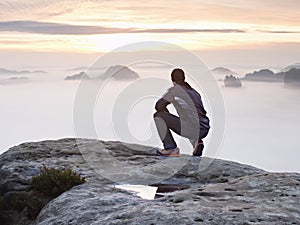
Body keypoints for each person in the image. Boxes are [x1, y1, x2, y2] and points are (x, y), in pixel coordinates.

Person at [154, 68, 210, 156]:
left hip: (192, 129)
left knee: (158, 116)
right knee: (190, 119)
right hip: (205, 129)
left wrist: (165, 113)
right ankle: (197, 142)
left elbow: (158, 105)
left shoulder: (175, 90)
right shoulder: (194, 92)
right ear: (184, 78)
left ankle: (170, 148)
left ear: (173, 80)